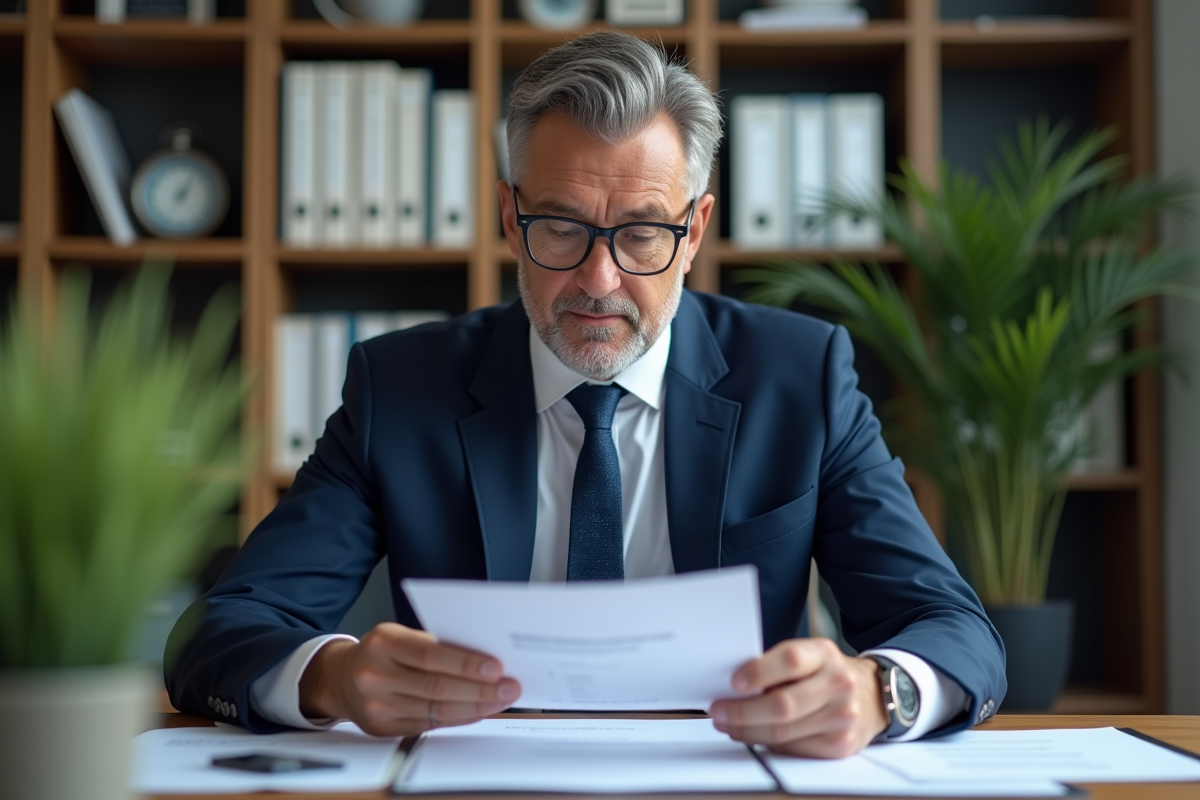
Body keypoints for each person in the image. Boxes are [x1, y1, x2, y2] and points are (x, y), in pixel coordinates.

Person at [167, 31, 1005, 759]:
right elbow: (218, 633)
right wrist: (334, 676)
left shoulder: (801, 377)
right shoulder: (401, 389)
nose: (599, 280)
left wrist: (878, 693)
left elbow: (955, 629)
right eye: (562, 228)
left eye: (641, 233)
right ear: (510, 219)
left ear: (694, 231)